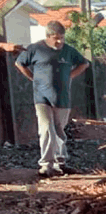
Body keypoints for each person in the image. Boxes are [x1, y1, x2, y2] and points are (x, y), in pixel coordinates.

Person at [15, 20, 90, 178]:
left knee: (59, 130)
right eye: (56, 38)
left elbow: (84, 63)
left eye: (62, 37)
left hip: (63, 98)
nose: (60, 41)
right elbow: (19, 63)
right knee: (47, 129)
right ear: (47, 37)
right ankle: (46, 165)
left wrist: (70, 76)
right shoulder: (35, 49)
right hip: (42, 97)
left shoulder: (69, 51)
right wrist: (32, 78)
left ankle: (60, 163)